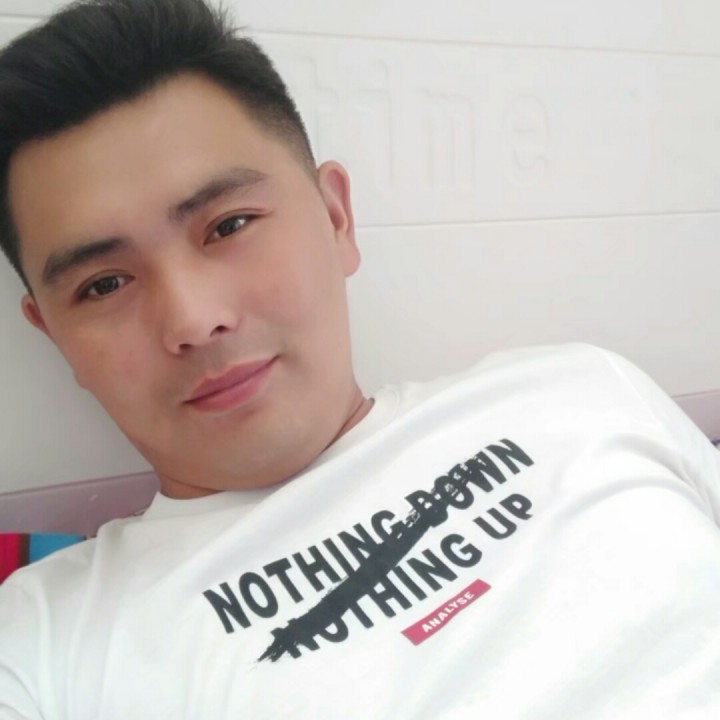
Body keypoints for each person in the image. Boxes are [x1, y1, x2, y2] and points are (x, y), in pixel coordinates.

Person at [0, 0, 718, 717]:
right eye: (104, 285)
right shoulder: (45, 642)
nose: (193, 319)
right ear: (55, 336)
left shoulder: (581, 392)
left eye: (230, 225)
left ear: (336, 218)